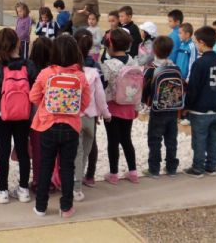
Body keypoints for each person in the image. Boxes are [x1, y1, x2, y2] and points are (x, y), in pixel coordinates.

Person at [29, 35, 90, 218]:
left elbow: (33, 96)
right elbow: (85, 103)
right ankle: (66, 207)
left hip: (48, 125)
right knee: (67, 167)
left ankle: (41, 207)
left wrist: (46, 106)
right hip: (71, 126)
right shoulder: (80, 76)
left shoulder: (46, 73)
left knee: (45, 165)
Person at [0, 28, 38, 204]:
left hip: (3, 115)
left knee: (3, 152)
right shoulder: (29, 65)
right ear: (18, 43)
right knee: (23, 151)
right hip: (23, 115)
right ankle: (23, 189)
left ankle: (2, 190)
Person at [73, 29, 109, 201]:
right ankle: (85, 178)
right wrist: (105, 113)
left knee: (76, 152)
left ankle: (75, 185)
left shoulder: (70, 68)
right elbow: (101, 95)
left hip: (73, 116)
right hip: (90, 118)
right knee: (86, 151)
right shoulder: (95, 69)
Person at [183, 26, 216, 178]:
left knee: (199, 139)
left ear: (201, 42)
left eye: (196, 42)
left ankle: (197, 168)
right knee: (213, 139)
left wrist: (187, 106)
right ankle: (211, 167)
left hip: (200, 109)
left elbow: (193, 88)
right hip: (215, 107)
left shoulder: (199, 64)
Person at [101, 28, 139, 185]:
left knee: (113, 141)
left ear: (110, 45)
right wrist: (136, 107)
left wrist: (100, 109)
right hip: (129, 106)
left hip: (112, 108)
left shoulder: (108, 65)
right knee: (126, 139)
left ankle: (114, 174)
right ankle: (133, 172)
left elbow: (103, 88)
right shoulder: (133, 62)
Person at [142, 36, 180, 178]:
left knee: (155, 139)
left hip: (157, 110)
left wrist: (145, 102)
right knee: (171, 140)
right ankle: (171, 168)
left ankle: (154, 169)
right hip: (173, 108)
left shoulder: (152, 68)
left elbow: (144, 88)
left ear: (154, 50)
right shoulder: (175, 67)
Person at [28, 36, 53, 190]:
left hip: (34, 115)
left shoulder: (30, 69)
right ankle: (50, 179)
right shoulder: (53, 71)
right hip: (52, 115)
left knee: (37, 149)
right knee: (51, 151)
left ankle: (37, 180)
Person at [176, 23, 198, 126]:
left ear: (188, 34)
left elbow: (192, 62)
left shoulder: (192, 46)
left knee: (184, 97)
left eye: (180, 33)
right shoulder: (181, 44)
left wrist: (189, 77)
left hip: (185, 77)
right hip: (178, 75)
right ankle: (177, 116)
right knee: (177, 95)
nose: (179, 35)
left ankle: (184, 116)